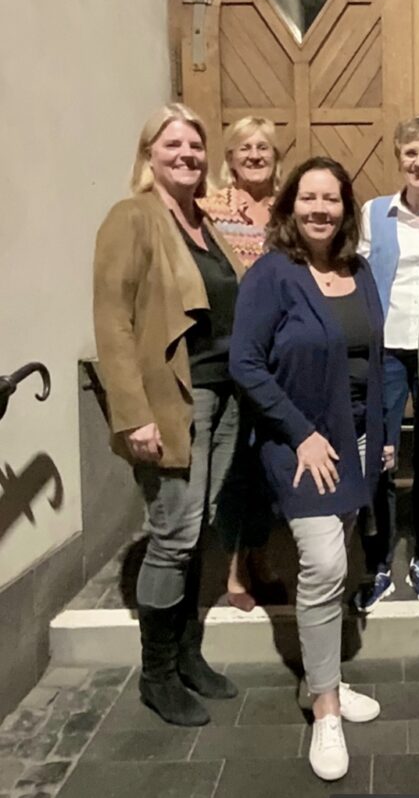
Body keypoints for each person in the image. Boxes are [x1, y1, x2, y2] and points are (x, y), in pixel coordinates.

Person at [229, 157, 388, 781]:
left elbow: (372, 357)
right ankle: (325, 709)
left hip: (356, 440)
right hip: (299, 443)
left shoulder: (360, 271)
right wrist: (302, 435)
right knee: (323, 564)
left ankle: (322, 679)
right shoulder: (272, 274)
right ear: (291, 205)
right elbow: (247, 364)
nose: (321, 209)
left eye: (333, 199)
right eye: (310, 197)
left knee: (336, 560)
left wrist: (379, 434)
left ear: (347, 209)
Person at [93, 103, 244, 727]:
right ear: (148, 153)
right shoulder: (133, 218)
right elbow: (112, 323)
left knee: (198, 530)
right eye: (173, 144)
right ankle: (157, 675)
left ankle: (187, 655)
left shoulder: (205, 225)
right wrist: (134, 415)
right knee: (172, 535)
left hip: (224, 396)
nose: (187, 155)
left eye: (195, 146)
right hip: (173, 404)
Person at [354, 116, 419, 612]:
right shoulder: (375, 213)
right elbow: (357, 277)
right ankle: (377, 563)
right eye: (411, 153)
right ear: (398, 158)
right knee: (379, 455)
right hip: (387, 349)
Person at [200, 115, 283, 611]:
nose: (254, 155)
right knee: (235, 466)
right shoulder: (207, 210)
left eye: (264, 148)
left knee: (269, 464)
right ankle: (233, 568)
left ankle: (262, 555)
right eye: (244, 148)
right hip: (228, 356)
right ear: (228, 158)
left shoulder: (286, 211)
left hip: (278, 358)